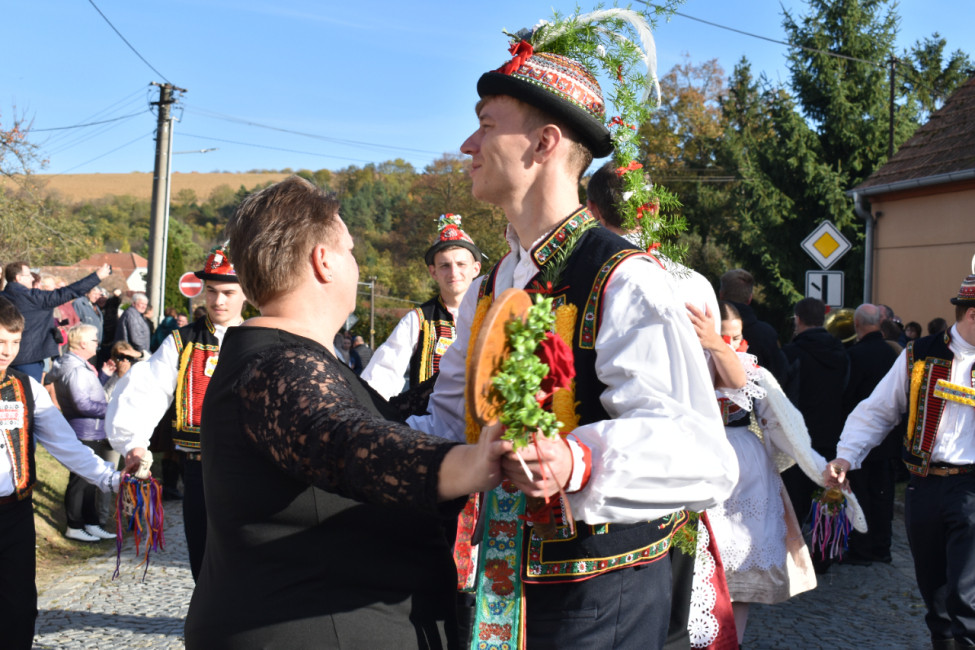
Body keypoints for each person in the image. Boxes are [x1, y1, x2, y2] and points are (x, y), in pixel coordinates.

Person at [410, 33, 738, 648]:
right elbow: (451, 421)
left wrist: (576, 459)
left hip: (600, 594)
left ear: (544, 142)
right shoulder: (490, 286)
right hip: (502, 583)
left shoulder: (625, 278)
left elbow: (697, 450)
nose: (468, 145)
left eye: (486, 126)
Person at [183, 176, 508, 648]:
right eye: (351, 251)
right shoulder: (276, 366)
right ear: (324, 261)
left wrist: (481, 375)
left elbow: (386, 417)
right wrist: (471, 464)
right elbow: (344, 440)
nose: (356, 265)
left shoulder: (289, 359)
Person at [826, 275, 975, 649]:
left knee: (966, 597)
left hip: (972, 488)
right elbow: (877, 411)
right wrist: (846, 456)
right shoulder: (919, 354)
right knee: (935, 597)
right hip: (924, 485)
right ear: (972, 314)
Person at [107, 248, 246, 581]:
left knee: (246, 560)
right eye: (211, 291)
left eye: (228, 293)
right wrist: (134, 442)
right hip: (199, 467)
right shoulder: (182, 342)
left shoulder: (260, 338)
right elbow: (149, 390)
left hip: (250, 469)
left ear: (247, 293)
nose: (218, 301)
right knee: (203, 557)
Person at [0, 297, 121, 649]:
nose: (7, 351)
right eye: (0, 341)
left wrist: (112, 478)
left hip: (14, 512)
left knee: (19, 607)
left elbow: (67, 445)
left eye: (14, 342)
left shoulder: (27, 388)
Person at [702, 301, 818, 644]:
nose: (732, 344)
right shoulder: (691, 370)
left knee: (745, 561)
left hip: (748, 473)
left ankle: (735, 640)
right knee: (705, 564)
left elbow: (785, 427)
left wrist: (819, 466)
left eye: (737, 337)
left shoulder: (754, 373)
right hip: (704, 463)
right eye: (724, 337)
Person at [361, 214, 483, 399]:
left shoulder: (492, 312)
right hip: (431, 416)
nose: (453, 272)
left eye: (461, 264)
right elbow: (382, 374)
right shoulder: (417, 320)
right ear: (433, 272)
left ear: (476, 269)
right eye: (445, 265)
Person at [840, 304, 901, 565]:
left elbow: (847, 395)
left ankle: (861, 549)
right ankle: (882, 548)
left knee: (860, 494)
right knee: (883, 494)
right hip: (888, 437)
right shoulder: (893, 353)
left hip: (861, 434)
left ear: (857, 324)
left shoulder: (855, 354)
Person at [781, 297, 849, 528]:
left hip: (799, 438)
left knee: (795, 502)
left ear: (798, 319)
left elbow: (783, 394)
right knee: (826, 499)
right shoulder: (842, 352)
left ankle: (796, 544)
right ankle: (825, 544)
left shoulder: (791, 352)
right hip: (832, 435)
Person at [47, 324, 118, 543]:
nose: (98, 343)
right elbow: (82, 404)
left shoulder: (79, 366)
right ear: (83, 343)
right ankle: (74, 525)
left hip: (91, 429)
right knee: (79, 481)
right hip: (84, 430)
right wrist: (110, 409)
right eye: (95, 339)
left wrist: (104, 376)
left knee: (89, 481)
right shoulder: (76, 369)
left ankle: (91, 522)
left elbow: (90, 394)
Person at [1, 261, 111, 381]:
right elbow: (69, 292)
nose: (32, 278)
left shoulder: (2, 297)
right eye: (28, 275)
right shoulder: (35, 298)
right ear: (18, 278)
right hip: (29, 360)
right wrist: (97, 276)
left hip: (4, 355)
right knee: (27, 391)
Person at [719, 268, 791, 385]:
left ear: (721, 295)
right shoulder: (766, 333)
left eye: (736, 338)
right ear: (750, 298)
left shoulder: (708, 329)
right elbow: (780, 376)